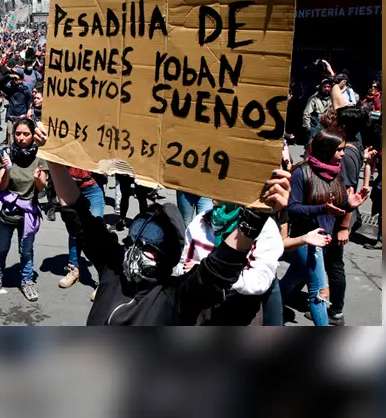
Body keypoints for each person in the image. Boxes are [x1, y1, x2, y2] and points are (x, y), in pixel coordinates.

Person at [46, 134, 293, 324]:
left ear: (167, 258)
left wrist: (257, 216)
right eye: (132, 243)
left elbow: (218, 269)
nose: (134, 253)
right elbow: (79, 216)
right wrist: (53, 160)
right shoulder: (113, 270)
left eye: (147, 247)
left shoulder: (173, 298)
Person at [280, 129, 370, 326]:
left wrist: (350, 204)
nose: (343, 154)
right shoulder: (301, 172)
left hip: (325, 240)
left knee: (295, 276)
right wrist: (322, 209)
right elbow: (292, 208)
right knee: (320, 291)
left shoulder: (335, 172)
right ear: (327, 149)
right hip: (306, 240)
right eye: (340, 149)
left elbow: (338, 204)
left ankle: (271, 303)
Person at [175, 202, 284, 325]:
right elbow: (182, 265)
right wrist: (193, 274)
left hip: (239, 309)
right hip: (199, 307)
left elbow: (260, 281)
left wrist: (213, 276)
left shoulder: (264, 227)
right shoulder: (200, 220)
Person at [322, 104, 377, 326]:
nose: (333, 121)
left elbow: (348, 193)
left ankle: (335, 312)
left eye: (336, 119)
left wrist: (344, 225)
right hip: (339, 215)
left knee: (333, 263)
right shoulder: (354, 143)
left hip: (339, 216)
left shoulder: (343, 155)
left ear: (343, 126)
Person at [0, 118, 47, 302]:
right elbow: (2, 185)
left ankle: (27, 281)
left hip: (28, 211)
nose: (21, 138)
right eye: (18, 134)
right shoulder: (6, 153)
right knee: (2, 247)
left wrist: (37, 178)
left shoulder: (39, 157)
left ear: (32, 136)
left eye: (26, 134)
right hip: (7, 209)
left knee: (27, 250)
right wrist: (7, 169)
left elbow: (42, 187)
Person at [0, 67, 32, 146]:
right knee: (11, 141)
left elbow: (29, 105)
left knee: (20, 142)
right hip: (11, 119)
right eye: (13, 79)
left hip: (21, 119)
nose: (14, 81)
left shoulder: (26, 90)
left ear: (21, 79)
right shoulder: (10, 89)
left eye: (16, 78)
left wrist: (27, 116)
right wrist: (9, 76)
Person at [302, 79, 334, 143]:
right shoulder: (314, 98)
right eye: (325, 87)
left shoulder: (333, 98)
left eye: (328, 87)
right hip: (316, 126)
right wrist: (308, 128)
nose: (327, 89)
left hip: (329, 126)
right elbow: (306, 113)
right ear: (321, 87)